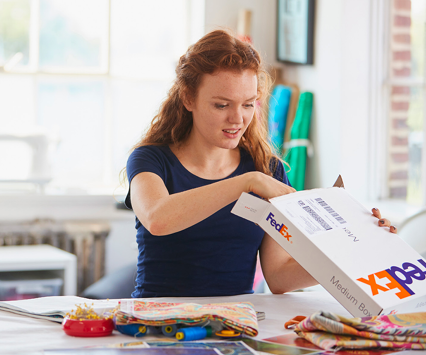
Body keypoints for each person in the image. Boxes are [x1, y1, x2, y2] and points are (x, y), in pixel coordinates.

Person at [124, 28, 396, 298]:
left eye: (248, 104)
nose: (237, 119)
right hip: (158, 324)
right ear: (188, 98)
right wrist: (247, 182)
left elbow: (278, 276)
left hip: (234, 325)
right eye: (221, 105)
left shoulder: (267, 170)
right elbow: (157, 218)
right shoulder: (151, 159)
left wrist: (349, 250)